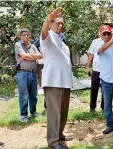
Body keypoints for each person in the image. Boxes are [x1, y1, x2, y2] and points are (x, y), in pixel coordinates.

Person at [40, 8, 73, 149]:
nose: (60, 26)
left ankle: (59, 136)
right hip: (53, 81)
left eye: (62, 24)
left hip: (65, 82)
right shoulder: (48, 38)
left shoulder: (63, 44)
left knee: (63, 112)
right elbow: (43, 32)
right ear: (51, 24)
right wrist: (49, 18)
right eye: (57, 23)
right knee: (54, 114)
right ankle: (53, 142)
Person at [15, 28, 42, 123]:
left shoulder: (33, 46)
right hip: (23, 73)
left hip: (33, 73)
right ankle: (23, 115)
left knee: (33, 95)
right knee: (24, 95)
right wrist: (30, 56)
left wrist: (28, 56)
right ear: (21, 36)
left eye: (27, 34)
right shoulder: (18, 44)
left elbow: (40, 56)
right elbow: (23, 55)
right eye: (24, 35)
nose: (26, 36)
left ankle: (33, 112)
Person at [86, 34, 104, 112]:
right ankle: (92, 107)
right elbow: (91, 54)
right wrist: (87, 66)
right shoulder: (95, 42)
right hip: (96, 69)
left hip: (106, 70)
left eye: (108, 33)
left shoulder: (110, 42)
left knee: (105, 89)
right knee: (94, 88)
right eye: (104, 33)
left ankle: (104, 107)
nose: (106, 35)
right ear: (100, 33)